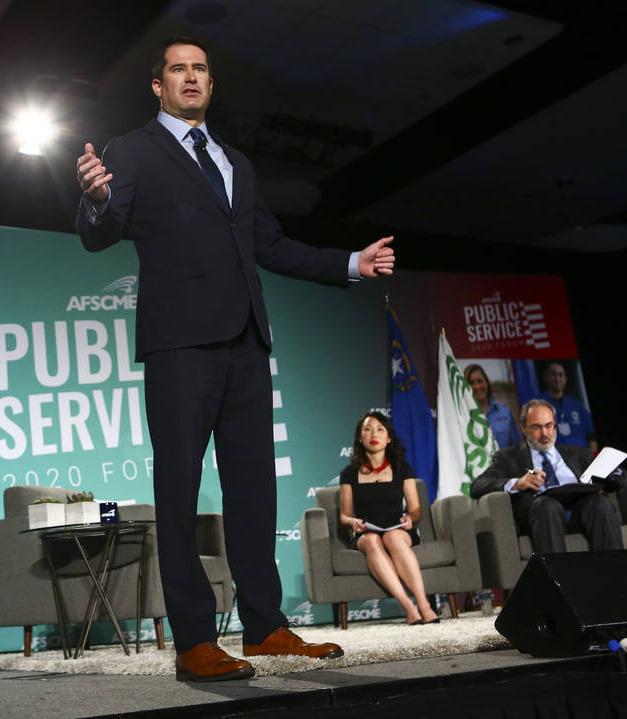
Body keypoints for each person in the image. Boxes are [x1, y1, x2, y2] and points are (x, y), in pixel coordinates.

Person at [75, 35, 395, 682]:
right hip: (180, 344)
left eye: (200, 70)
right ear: (158, 86)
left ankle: (265, 624)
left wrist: (351, 264)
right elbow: (100, 232)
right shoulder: (130, 151)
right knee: (180, 488)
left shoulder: (235, 162)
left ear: (211, 85)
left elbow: (269, 244)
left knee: (253, 490)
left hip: (248, 341)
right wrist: (97, 199)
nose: (190, 78)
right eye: (177, 69)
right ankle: (193, 637)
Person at [469, 399, 626, 554]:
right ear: (523, 429)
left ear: (555, 425)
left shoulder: (579, 454)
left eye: (548, 425)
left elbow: (622, 479)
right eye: (536, 427)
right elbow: (478, 486)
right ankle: (557, 579)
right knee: (547, 506)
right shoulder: (509, 457)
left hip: (582, 512)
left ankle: (612, 576)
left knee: (599, 503)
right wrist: (518, 483)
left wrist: (610, 472)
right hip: (542, 516)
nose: (544, 433)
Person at [340, 412, 439, 624]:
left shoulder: (402, 468)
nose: (373, 434)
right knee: (373, 540)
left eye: (379, 429)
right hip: (367, 531)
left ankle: (424, 605)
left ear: (389, 437)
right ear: (360, 437)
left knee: (392, 538)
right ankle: (409, 607)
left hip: (397, 528)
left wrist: (410, 518)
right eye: (367, 429)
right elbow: (344, 515)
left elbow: (416, 510)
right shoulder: (349, 473)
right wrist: (352, 522)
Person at [537, 362, 597, 454]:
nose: (557, 378)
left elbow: (592, 436)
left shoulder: (577, 405)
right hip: (555, 460)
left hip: (581, 458)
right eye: (553, 374)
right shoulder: (537, 405)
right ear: (546, 376)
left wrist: (589, 457)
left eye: (561, 375)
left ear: (565, 379)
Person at [463, 363, 521, 449]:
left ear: (486, 383)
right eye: (472, 383)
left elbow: (518, 447)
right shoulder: (462, 416)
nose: (477, 386)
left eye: (480, 381)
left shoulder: (504, 411)